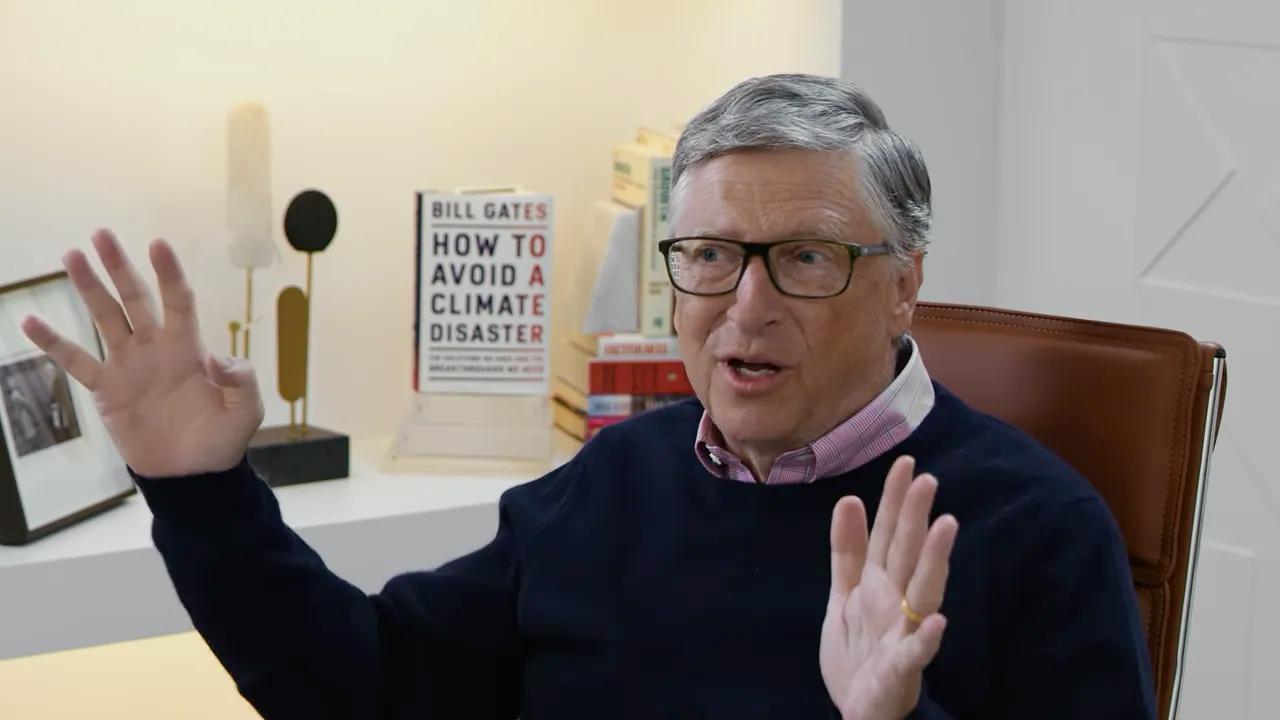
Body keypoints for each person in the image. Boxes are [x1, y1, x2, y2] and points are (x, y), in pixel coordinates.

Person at [21, 74, 1154, 718]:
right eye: (707, 255)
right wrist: (200, 491)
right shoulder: (622, 472)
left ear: (904, 284)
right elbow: (367, 691)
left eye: (804, 260)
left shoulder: (1033, 530)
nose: (742, 309)